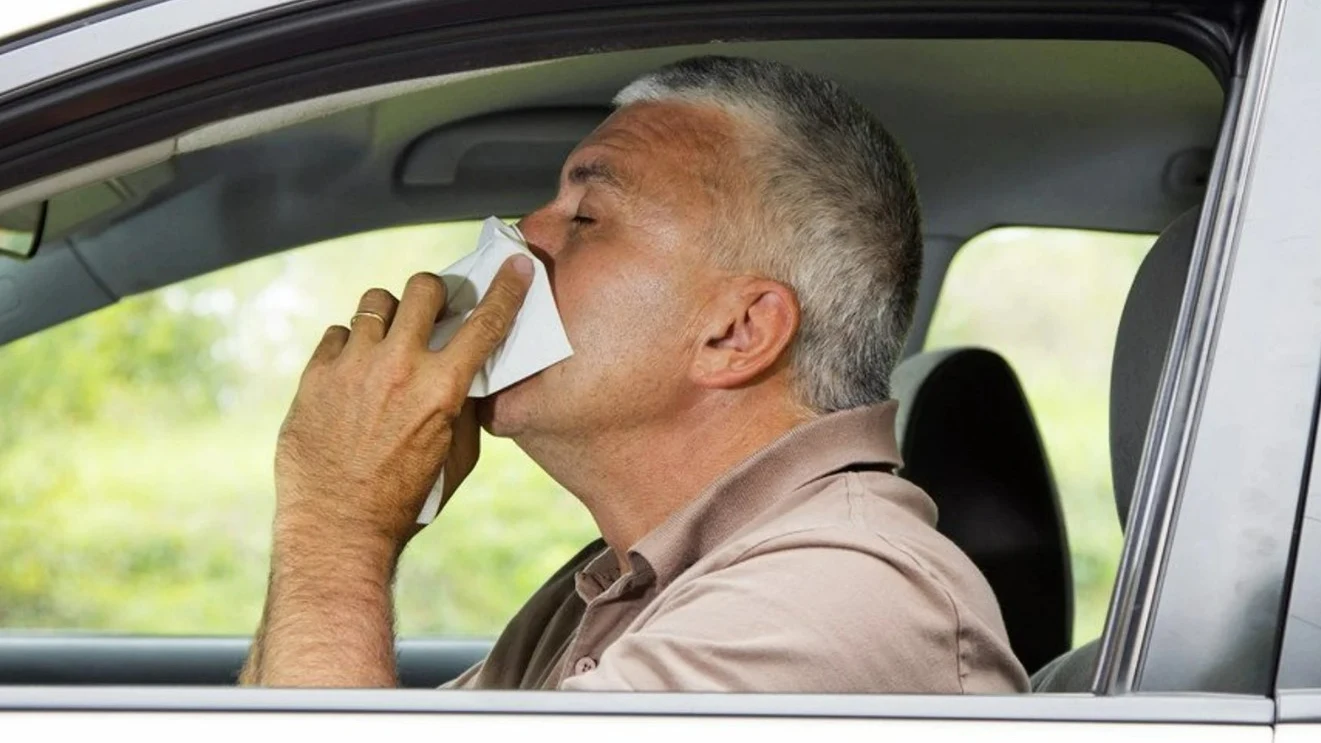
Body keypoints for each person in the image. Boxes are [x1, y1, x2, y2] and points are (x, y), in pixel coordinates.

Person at [239, 55, 1029, 693]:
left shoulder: (832, 595)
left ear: (736, 332)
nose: (521, 236)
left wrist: (340, 523)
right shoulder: (626, 584)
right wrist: (339, 517)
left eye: (585, 219)